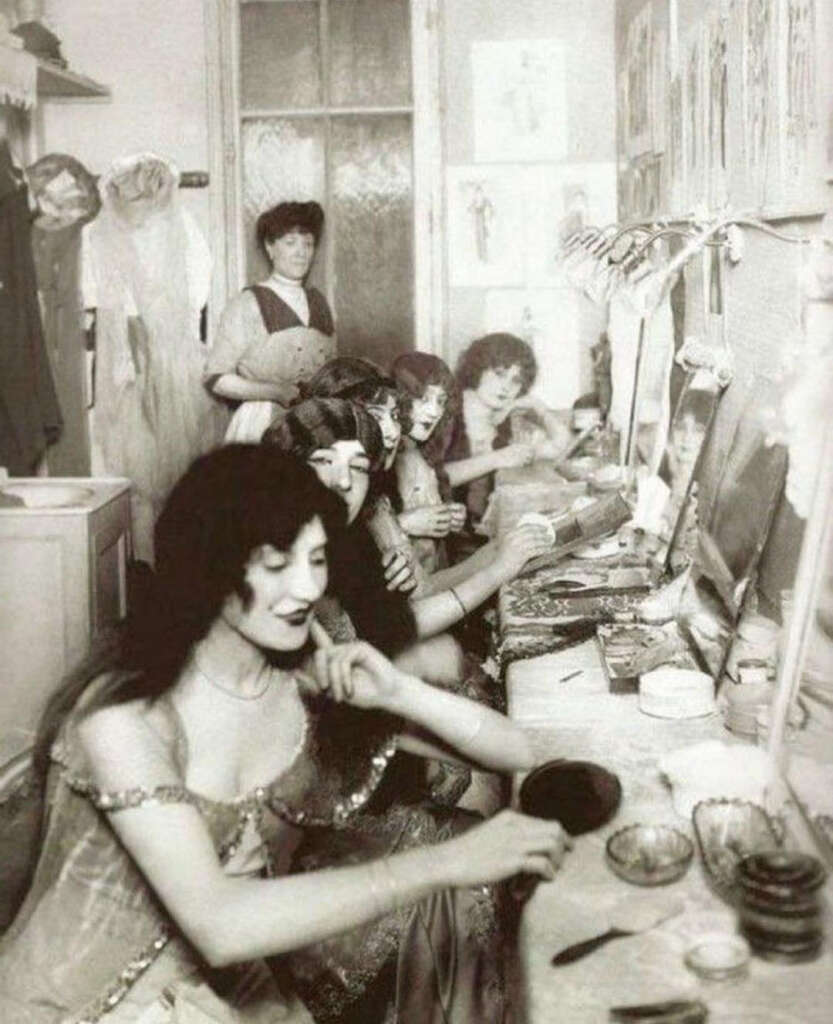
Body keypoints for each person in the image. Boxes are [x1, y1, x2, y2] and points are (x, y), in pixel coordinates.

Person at [0, 445, 571, 1024]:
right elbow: (218, 924)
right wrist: (447, 862)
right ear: (209, 567)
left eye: (317, 558)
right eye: (277, 566)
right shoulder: (123, 715)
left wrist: (400, 691)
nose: (305, 588)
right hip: (79, 1007)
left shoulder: (299, 685)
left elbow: (519, 752)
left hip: (222, 991)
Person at [205, 201, 336, 443]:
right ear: (270, 248)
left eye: (308, 244)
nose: (301, 252)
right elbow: (216, 378)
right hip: (262, 424)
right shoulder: (248, 303)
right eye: (290, 243)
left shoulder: (319, 302)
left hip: (317, 424)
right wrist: (275, 391)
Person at [444, 332, 571, 534]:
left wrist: (537, 406)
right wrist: (498, 458)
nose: (506, 387)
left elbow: (559, 445)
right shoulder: (448, 414)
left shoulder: (502, 423)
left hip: (484, 539)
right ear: (477, 369)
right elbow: (435, 477)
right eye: (499, 373)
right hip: (449, 547)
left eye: (516, 380)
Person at [389, 352, 468, 574]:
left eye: (441, 401)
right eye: (423, 399)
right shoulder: (383, 457)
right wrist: (403, 524)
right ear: (399, 398)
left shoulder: (423, 452)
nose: (434, 412)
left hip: (430, 576)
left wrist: (448, 516)